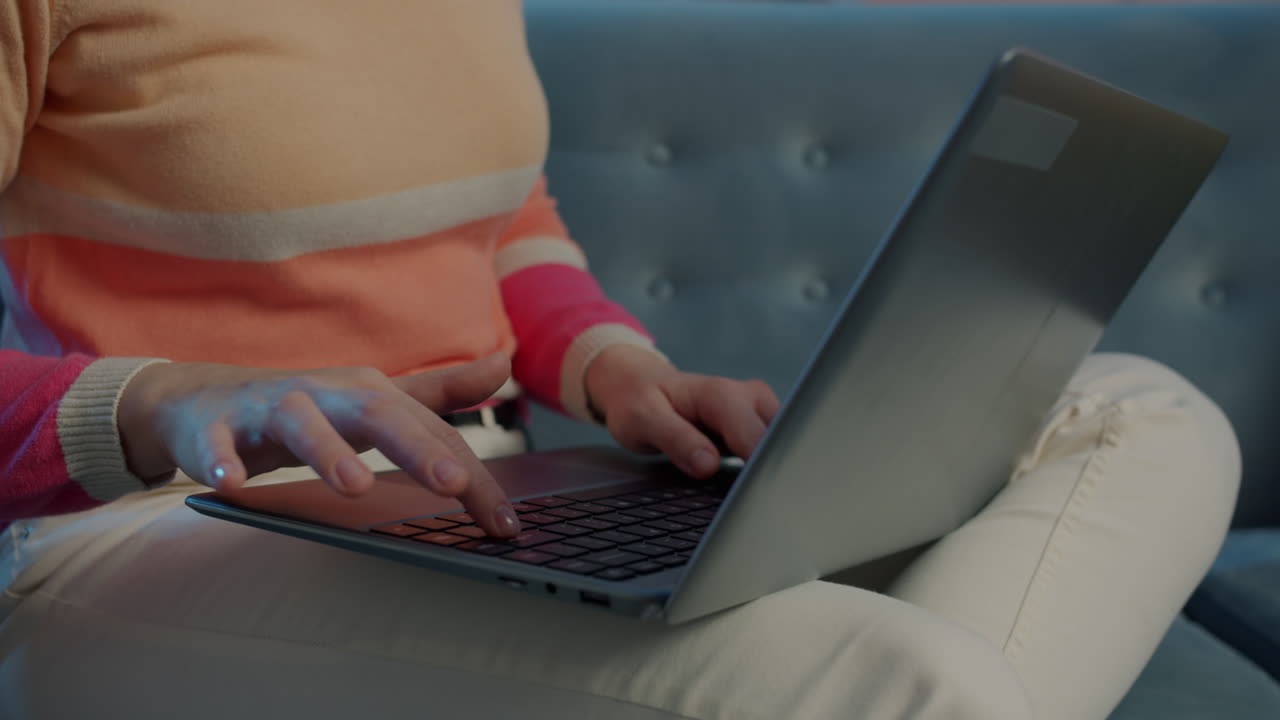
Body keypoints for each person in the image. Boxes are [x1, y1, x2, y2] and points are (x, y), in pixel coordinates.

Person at [0, 2, 1239, 718]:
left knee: (1147, 411)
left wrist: (609, 365)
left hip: (491, 500)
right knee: (905, 678)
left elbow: (502, 215)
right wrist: (169, 398)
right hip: (164, 528)